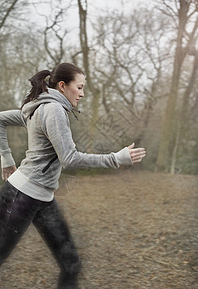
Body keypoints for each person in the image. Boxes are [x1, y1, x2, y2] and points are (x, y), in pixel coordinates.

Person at [0, 63, 146, 288]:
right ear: (62, 85)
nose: (83, 93)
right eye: (79, 87)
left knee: (71, 264)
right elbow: (70, 158)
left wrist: (7, 161)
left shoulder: (39, 107)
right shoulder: (53, 110)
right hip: (19, 197)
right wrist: (116, 159)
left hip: (43, 198)